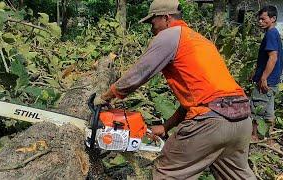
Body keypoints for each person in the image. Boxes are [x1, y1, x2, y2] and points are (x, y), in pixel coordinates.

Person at [95, 0, 256, 179]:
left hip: (210, 123)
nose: (151, 27)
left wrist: (107, 96)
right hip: (241, 119)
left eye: (152, 22)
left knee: (167, 172)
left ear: (166, 17)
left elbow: (139, 73)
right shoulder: (200, 40)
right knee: (236, 175)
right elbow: (203, 99)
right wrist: (165, 126)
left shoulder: (169, 35)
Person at [251, 5, 283, 142]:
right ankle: (267, 139)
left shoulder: (270, 34)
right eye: (259, 19)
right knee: (268, 111)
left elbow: (273, 57)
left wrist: (263, 77)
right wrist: (256, 73)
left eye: (263, 19)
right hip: (273, 80)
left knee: (256, 110)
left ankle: (254, 137)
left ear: (273, 18)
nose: (260, 21)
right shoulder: (275, 33)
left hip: (267, 81)